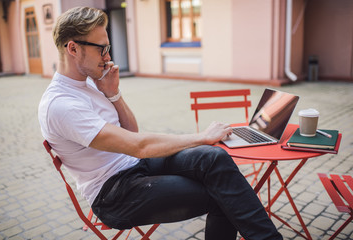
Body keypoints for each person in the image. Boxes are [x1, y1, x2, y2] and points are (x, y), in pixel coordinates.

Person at [38, 6, 282, 240]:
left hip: (137, 165)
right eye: (101, 49)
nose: (108, 56)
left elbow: (131, 130)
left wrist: (113, 94)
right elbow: (138, 144)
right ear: (73, 48)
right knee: (225, 195)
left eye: (108, 47)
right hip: (114, 194)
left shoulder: (91, 81)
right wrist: (201, 136)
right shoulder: (61, 104)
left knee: (213, 158)